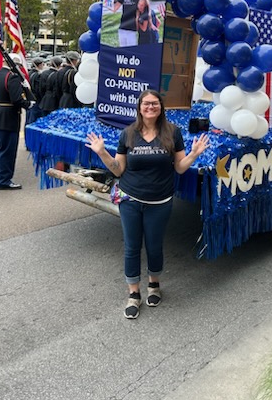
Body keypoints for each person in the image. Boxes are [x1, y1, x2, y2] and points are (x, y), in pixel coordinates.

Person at [86, 89, 210, 319]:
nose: (150, 107)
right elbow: (119, 169)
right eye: (146, 104)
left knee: (154, 245)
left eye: (155, 104)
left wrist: (193, 155)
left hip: (160, 201)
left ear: (161, 107)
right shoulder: (129, 134)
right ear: (139, 107)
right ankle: (134, 293)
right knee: (132, 247)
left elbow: (180, 168)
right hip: (130, 198)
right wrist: (102, 153)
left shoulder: (173, 132)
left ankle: (154, 285)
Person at [0, 53, 32, 190]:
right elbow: (16, 99)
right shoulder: (12, 77)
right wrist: (28, 104)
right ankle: (4, 180)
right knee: (7, 151)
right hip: (7, 118)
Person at [26, 57, 45, 125]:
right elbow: (38, 89)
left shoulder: (28, 73)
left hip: (28, 97)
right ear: (39, 65)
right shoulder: (38, 75)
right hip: (36, 98)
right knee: (33, 118)